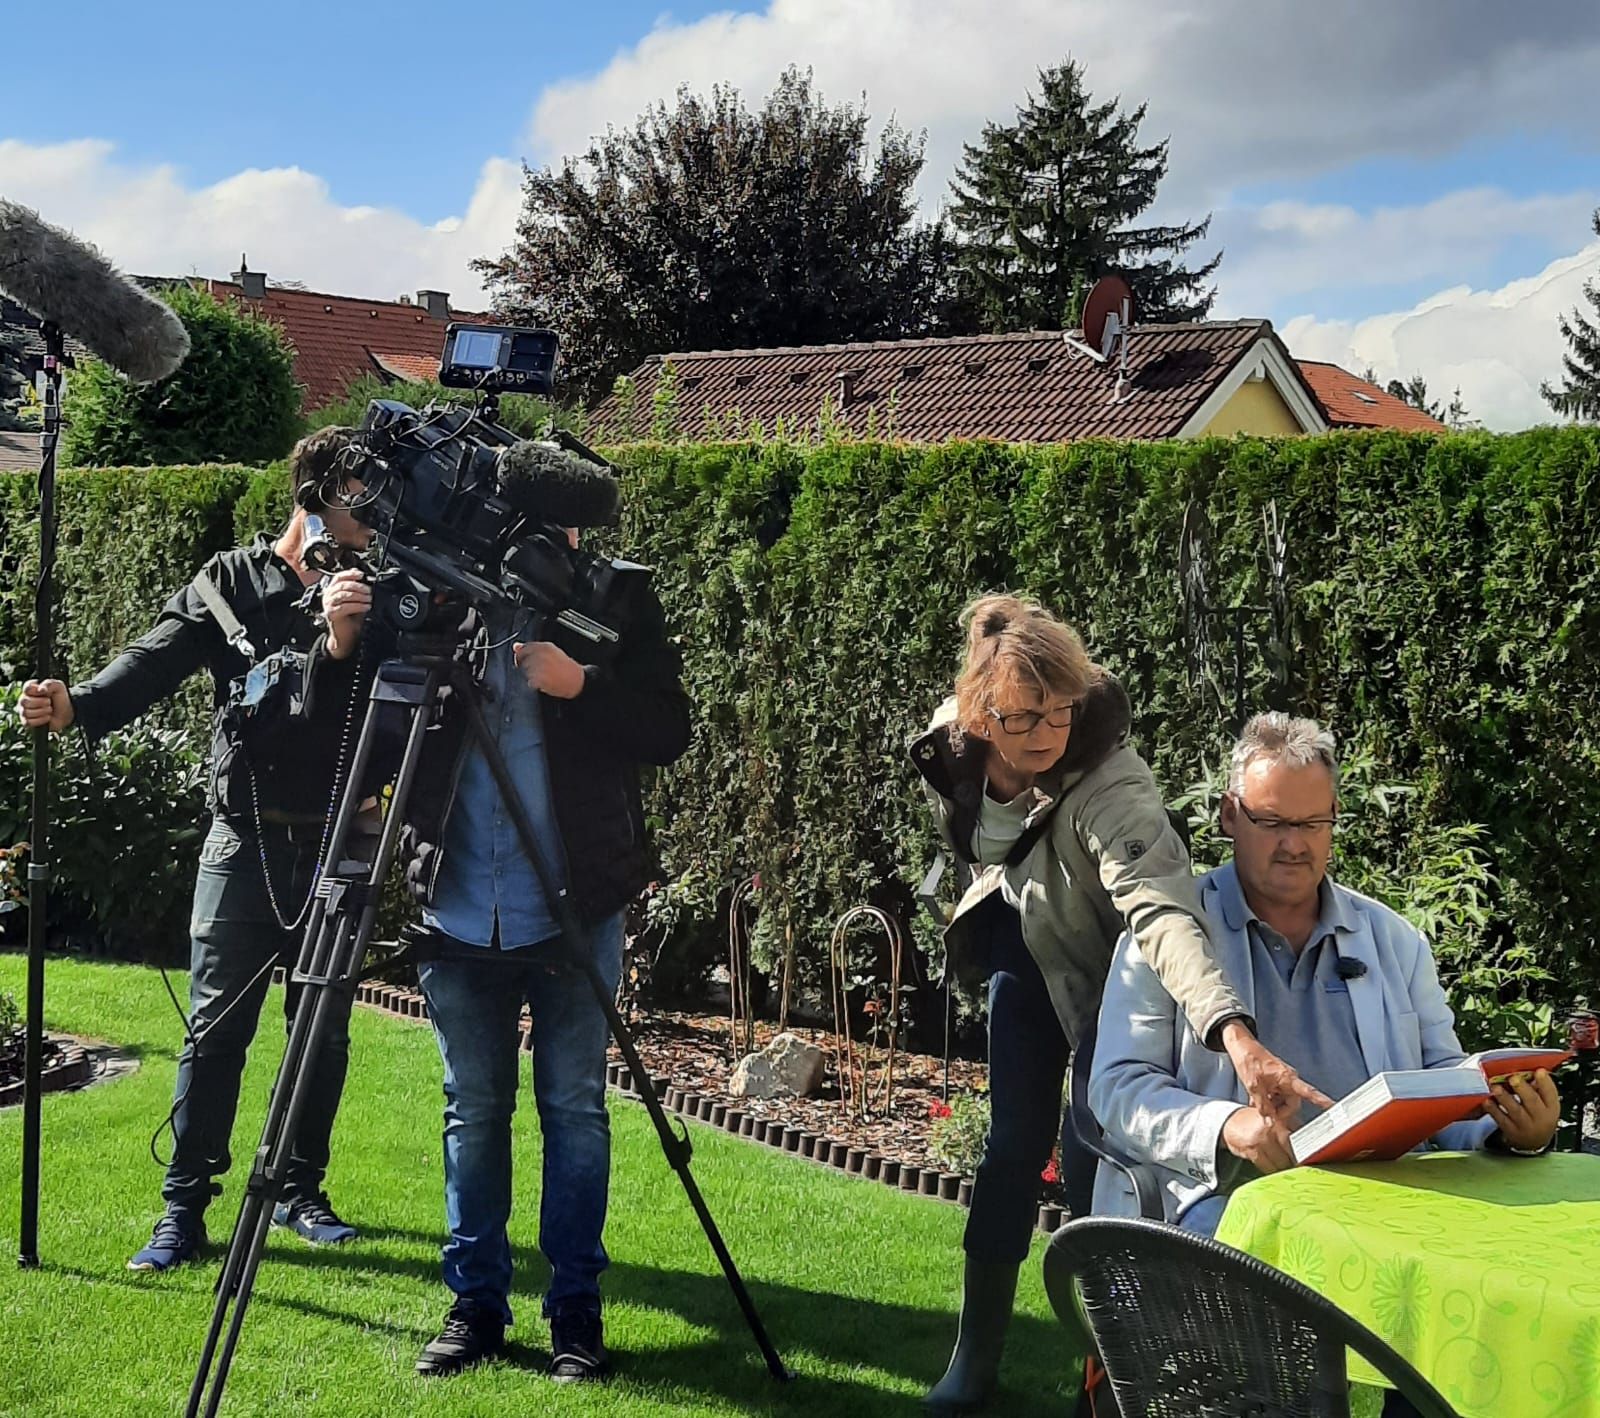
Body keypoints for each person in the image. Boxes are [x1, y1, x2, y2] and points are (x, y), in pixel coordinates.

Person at [908, 595, 1320, 1413]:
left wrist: (1232, 1035)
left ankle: (1108, 1378)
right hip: (1028, 943)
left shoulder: (1112, 777)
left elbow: (1163, 910)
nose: (1047, 735)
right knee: (1010, 1149)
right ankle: (974, 1359)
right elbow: (973, 835)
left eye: (1060, 712)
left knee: (1103, 1156)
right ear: (983, 711)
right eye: (1025, 718)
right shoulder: (949, 744)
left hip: (1122, 976)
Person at [339, 508, 691, 1381]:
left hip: (573, 906)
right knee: (473, 1108)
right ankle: (476, 1307)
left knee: (575, 1110)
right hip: (456, 904)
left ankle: (575, 1309)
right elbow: (359, 734)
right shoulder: (430, 596)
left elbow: (669, 730)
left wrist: (583, 688)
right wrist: (345, 643)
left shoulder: (617, 600)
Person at [16, 426, 379, 1271]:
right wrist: (81, 705)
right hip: (242, 843)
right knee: (216, 1029)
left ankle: (298, 1191)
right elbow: (158, 657)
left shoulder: (380, 591)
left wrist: (348, 639)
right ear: (320, 493)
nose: (378, 514)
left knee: (320, 1033)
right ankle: (183, 1211)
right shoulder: (231, 582)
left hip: (338, 843)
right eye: (365, 494)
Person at [1089, 711, 1561, 1238]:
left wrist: (1512, 1128)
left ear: (1335, 815)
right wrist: (1224, 1126)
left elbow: (1442, 1079)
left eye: (1312, 823)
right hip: (1226, 1197)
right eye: (1271, 823)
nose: (1294, 844)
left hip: (1379, 1196)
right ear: (1229, 816)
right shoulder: (1169, 937)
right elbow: (1118, 1089)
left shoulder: (1393, 940)